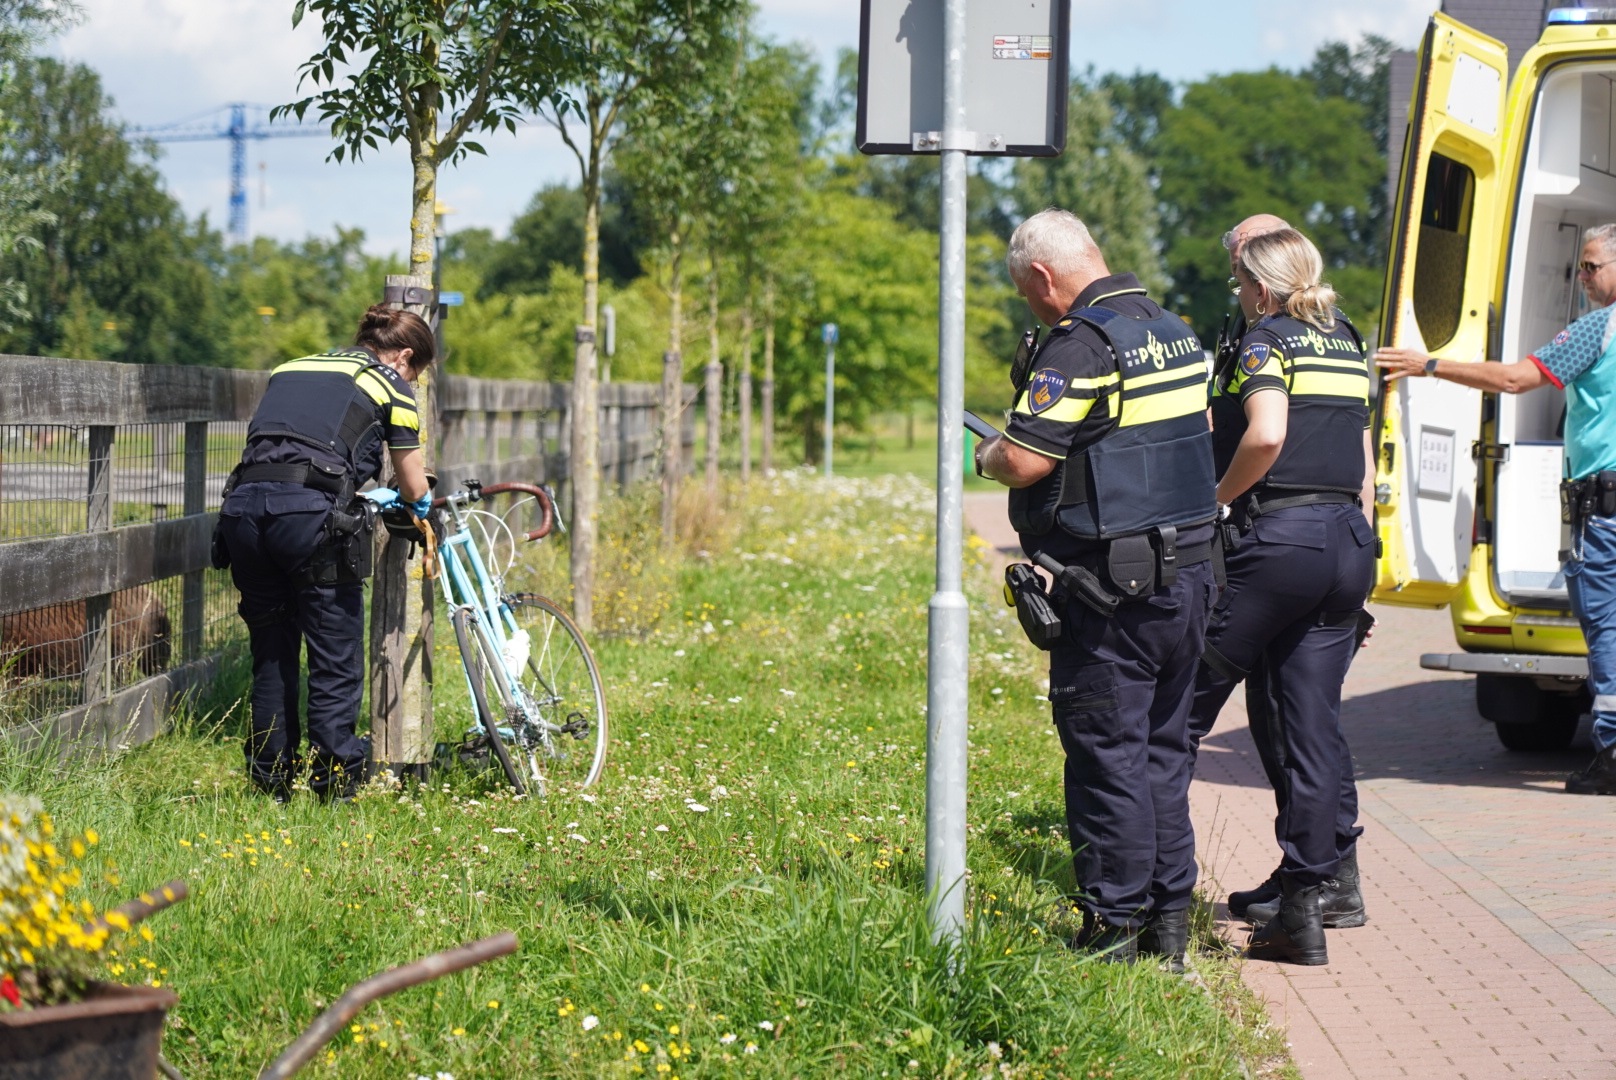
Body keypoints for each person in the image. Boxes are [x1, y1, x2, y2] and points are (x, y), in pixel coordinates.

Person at [975, 208, 1218, 969]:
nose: (1033, 308)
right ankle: (1168, 929)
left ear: (1044, 277)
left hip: (1114, 591)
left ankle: (1110, 932)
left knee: (1107, 756)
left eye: (1027, 295)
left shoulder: (1081, 346)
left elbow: (1025, 461)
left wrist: (986, 453)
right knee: (1164, 755)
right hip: (1192, 575)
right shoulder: (1172, 327)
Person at [1187, 228, 1377, 966]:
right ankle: (1304, 906)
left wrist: (1212, 500)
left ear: (1260, 289)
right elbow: (1359, 460)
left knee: (1181, 706)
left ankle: (1147, 893)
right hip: (1345, 545)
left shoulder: (1267, 340)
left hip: (1280, 540)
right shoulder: (1344, 337)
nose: (1238, 296)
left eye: (1239, 285)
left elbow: (1265, 436)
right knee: (1311, 727)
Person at [1378, 222, 1616, 797]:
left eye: (1591, 266)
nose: (1581, 277)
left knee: (1607, 629)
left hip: (1605, 512)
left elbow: (1514, 380)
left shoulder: (1598, 330)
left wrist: (1428, 365)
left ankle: (1612, 753)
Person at [217, 305, 434, 804]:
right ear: (403, 357)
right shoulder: (392, 386)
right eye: (417, 373)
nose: (414, 382)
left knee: (271, 652)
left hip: (242, 513)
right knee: (335, 657)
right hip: (309, 518)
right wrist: (413, 503)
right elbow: (415, 483)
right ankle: (334, 784)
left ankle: (270, 780)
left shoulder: (291, 367)